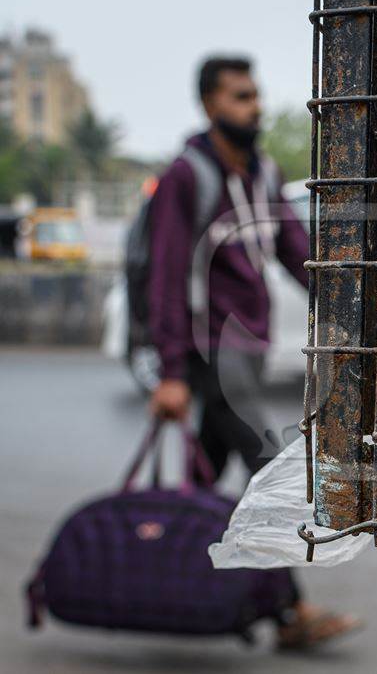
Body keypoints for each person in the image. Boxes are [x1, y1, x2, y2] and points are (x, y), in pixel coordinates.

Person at [147, 55, 359, 648]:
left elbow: (296, 252)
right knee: (265, 468)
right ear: (211, 105)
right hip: (206, 354)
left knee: (201, 480)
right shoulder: (186, 178)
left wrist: (350, 307)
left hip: (249, 350)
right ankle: (291, 614)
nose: (255, 106)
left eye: (255, 94)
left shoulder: (263, 172)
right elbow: (164, 279)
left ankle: (159, 583)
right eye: (241, 97)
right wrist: (169, 372)